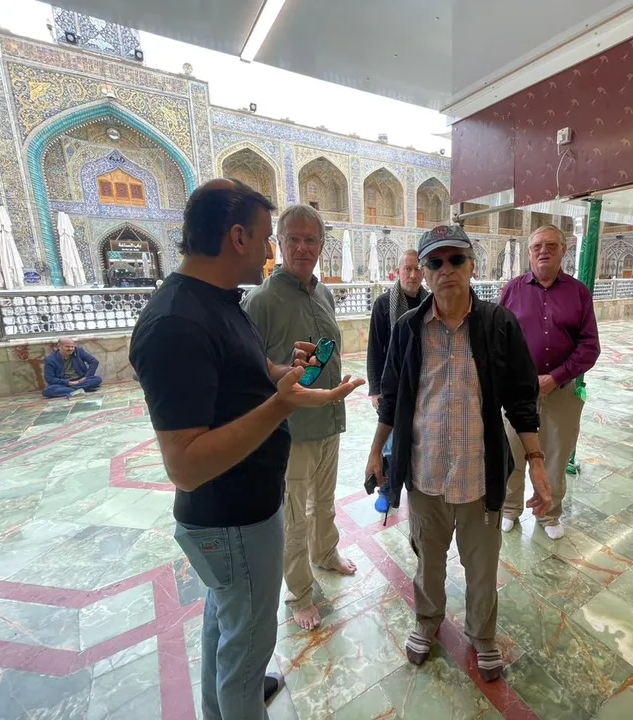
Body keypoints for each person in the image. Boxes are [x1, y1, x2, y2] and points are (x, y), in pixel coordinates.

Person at [129, 179, 363, 720]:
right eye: (264, 238)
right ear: (237, 236)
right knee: (248, 646)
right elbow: (185, 466)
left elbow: (249, 377)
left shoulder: (217, 303)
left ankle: (227, 705)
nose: (269, 252)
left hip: (245, 509)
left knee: (226, 625)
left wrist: (286, 377)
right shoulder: (175, 323)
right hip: (229, 518)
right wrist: (279, 407)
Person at [365, 224, 551, 683]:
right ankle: (427, 624)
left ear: (471, 266)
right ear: (424, 272)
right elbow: (391, 397)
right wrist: (376, 452)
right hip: (426, 475)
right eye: (435, 262)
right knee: (428, 562)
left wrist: (538, 467)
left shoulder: (496, 324)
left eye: (455, 260)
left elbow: (521, 401)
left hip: (479, 476)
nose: (446, 270)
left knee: (482, 566)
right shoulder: (409, 329)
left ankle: (482, 636)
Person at [243, 204, 356, 633]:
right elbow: (248, 373)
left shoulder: (323, 293)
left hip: (329, 419)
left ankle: (326, 554)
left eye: (311, 240)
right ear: (279, 243)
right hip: (291, 430)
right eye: (294, 239)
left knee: (324, 502)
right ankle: (299, 592)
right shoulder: (261, 301)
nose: (303, 248)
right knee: (294, 514)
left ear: (322, 245)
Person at [499, 224, 600, 540]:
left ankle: (548, 514)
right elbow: (496, 341)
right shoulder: (512, 290)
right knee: (511, 454)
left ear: (563, 251)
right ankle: (508, 509)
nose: (543, 251)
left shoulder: (578, 293)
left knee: (555, 457)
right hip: (517, 394)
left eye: (551, 245)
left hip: (561, 392)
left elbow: (589, 346)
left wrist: (556, 377)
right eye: (537, 246)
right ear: (529, 253)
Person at [366, 249, 428, 512]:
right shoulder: (384, 304)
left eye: (417, 269)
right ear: (398, 271)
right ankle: (387, 489)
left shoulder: (430, 302)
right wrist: (375, 389)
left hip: (422, 386)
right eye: (407, 269)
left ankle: (415, 485)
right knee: (389, 440)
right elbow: (374, 348)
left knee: (416, 439)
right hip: (393, 388)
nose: (412, 275)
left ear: (423, 272)